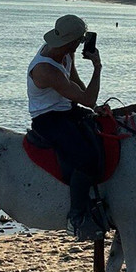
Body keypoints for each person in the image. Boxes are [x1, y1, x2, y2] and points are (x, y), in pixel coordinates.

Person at [27, 13, 104, 240]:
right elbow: (86, 98)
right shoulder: (46, 69)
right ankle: (76, 217)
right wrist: (97, 66)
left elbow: (78, 86)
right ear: (71, 42)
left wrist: (95, 107)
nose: (81, 44)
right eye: (80, 40)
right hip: (48, 118)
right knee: (86, 158)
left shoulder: (66, 52)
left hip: (66, 110)